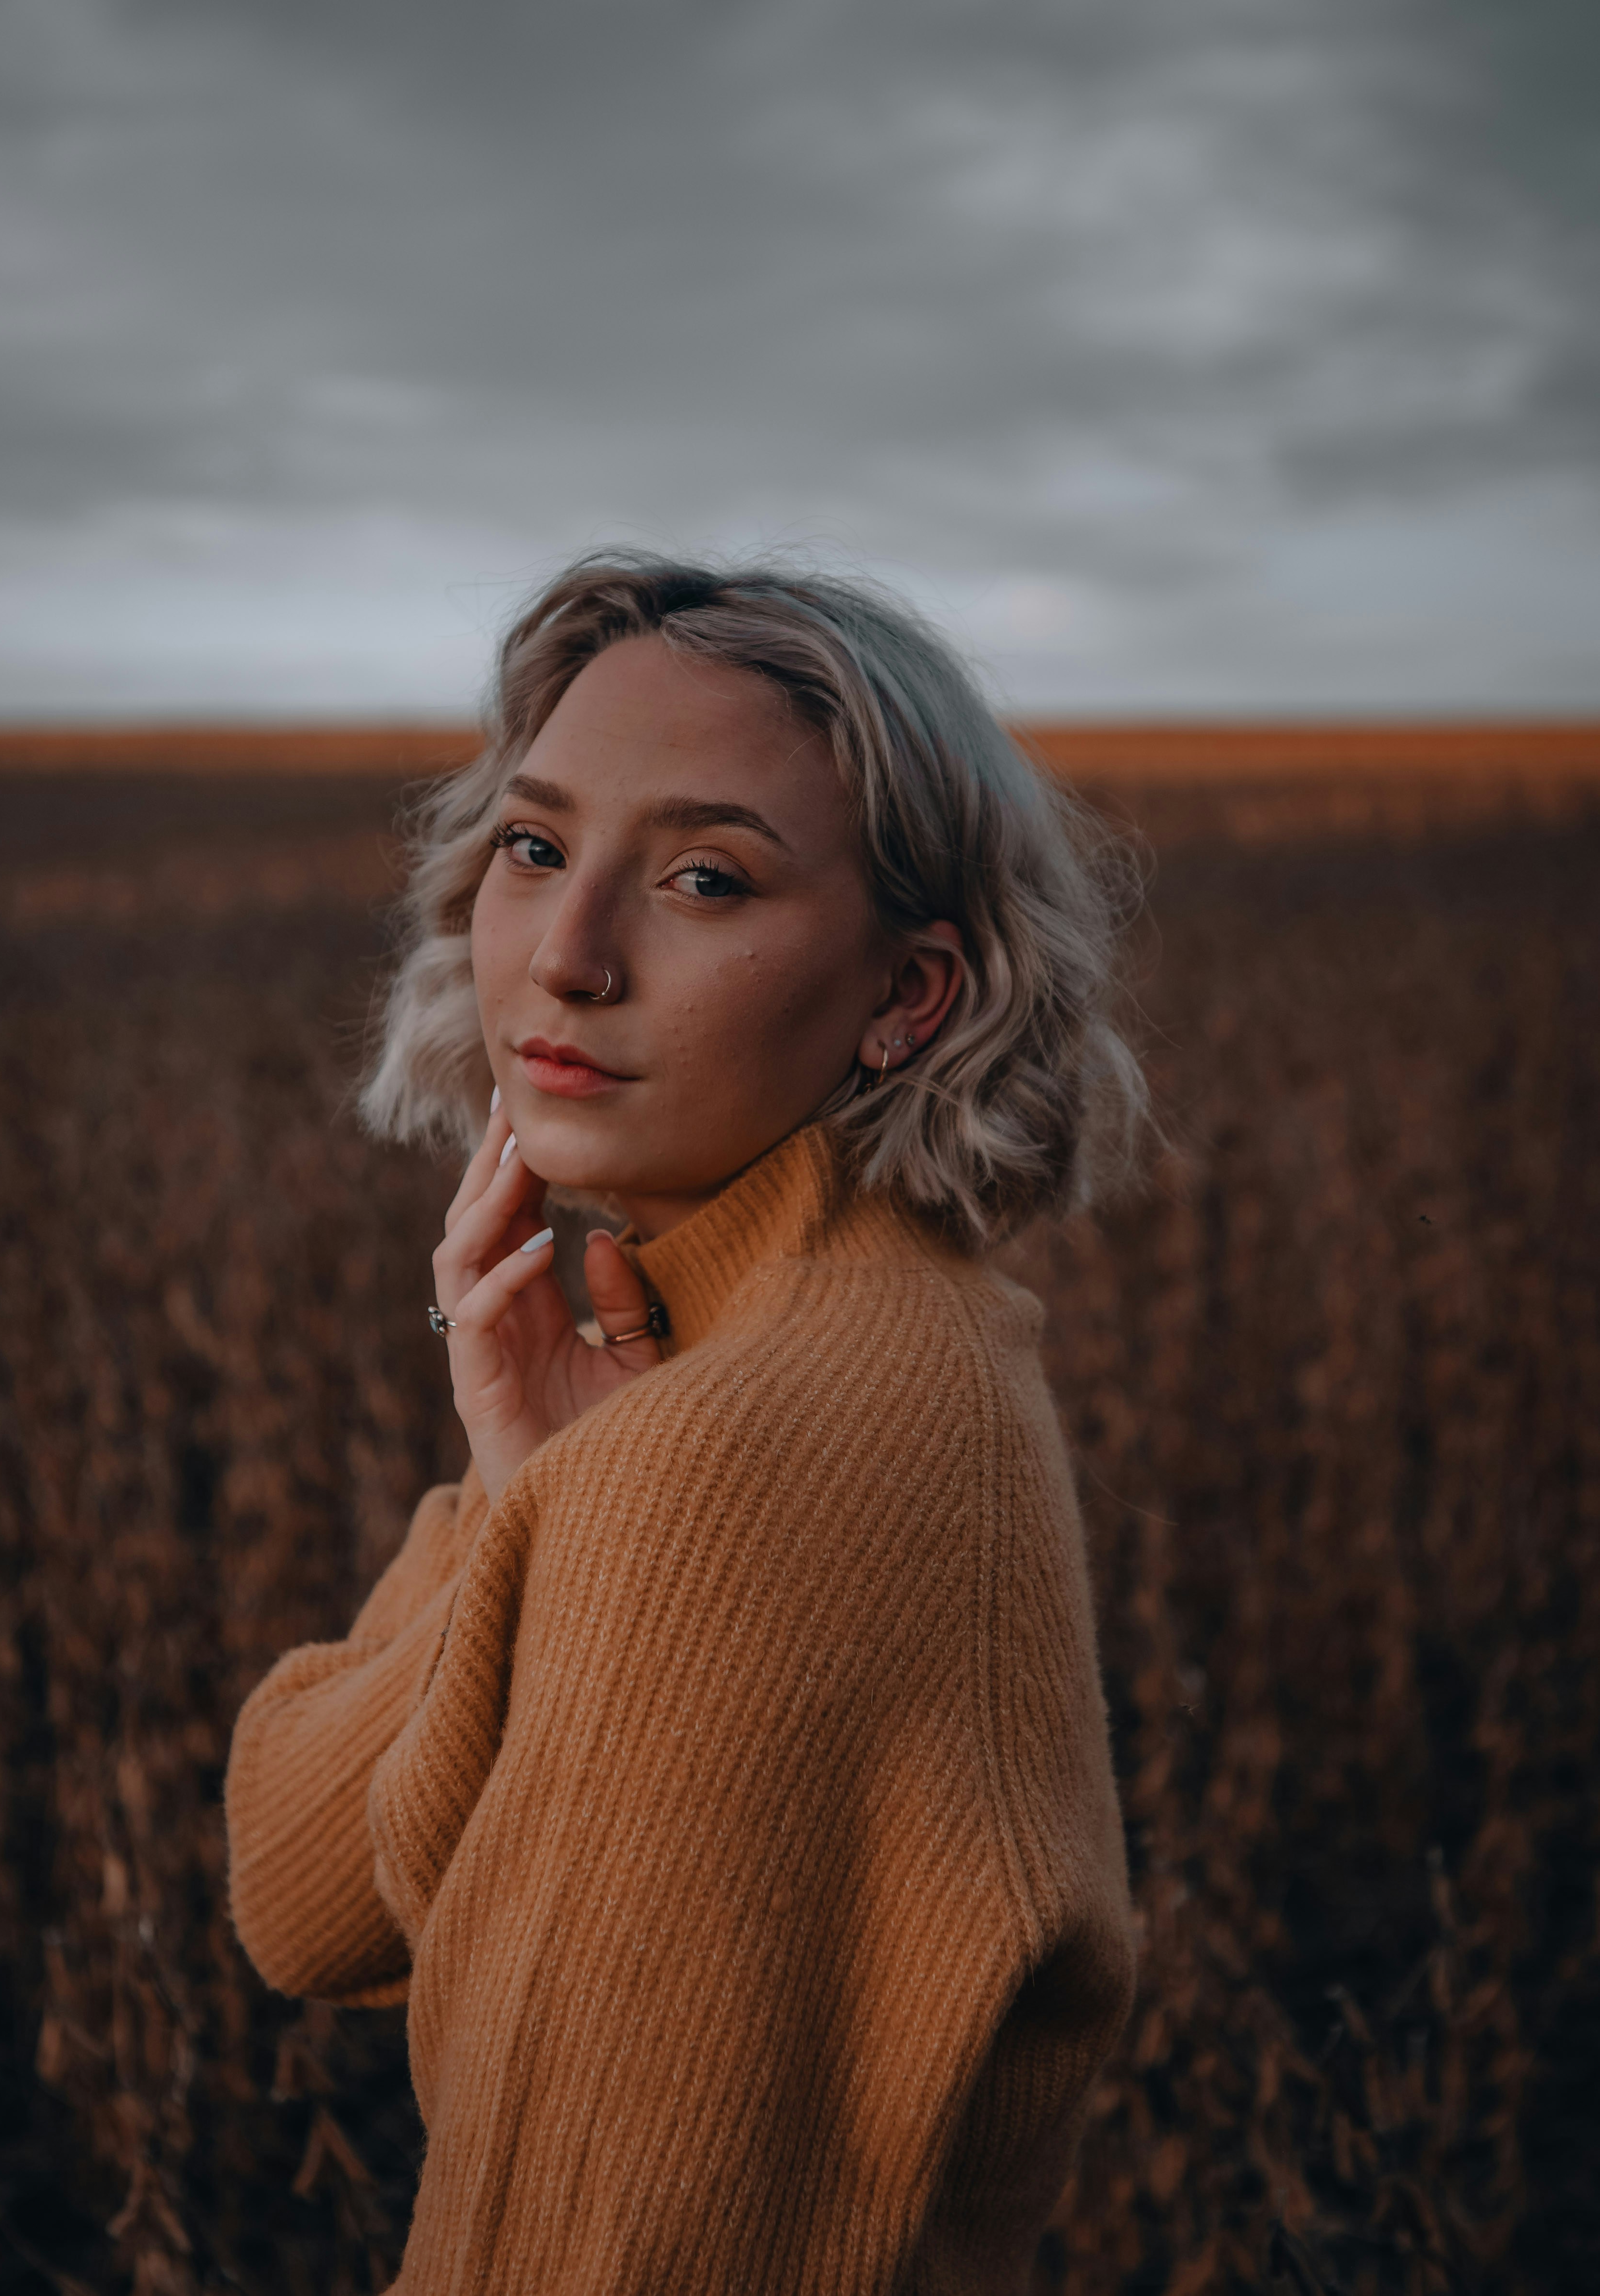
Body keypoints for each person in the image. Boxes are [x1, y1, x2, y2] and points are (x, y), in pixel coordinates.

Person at [225, 554, 1147, 2293]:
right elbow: (295, 1892)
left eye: (704, 879)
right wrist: (529, 1495)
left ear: (909, 996)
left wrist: (615, 1506)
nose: (566, 959)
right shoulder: (804, 1354)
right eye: (534, 847)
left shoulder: (751, 1458)